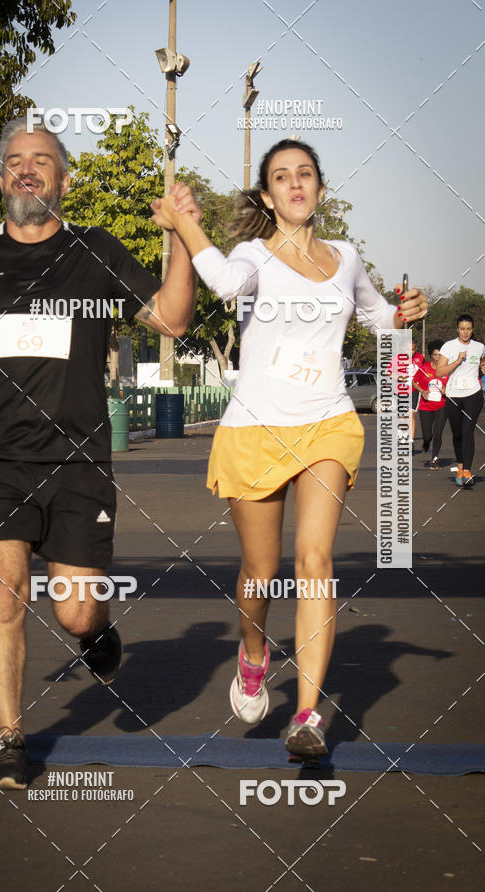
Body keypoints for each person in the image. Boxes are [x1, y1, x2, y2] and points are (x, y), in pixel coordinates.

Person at [0, 117, 200, 789]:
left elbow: (172, 320)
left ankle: (96, 636)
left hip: (79, 462)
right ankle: (9, 740)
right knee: (0, 594)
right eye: (15, 161)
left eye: (42, 161)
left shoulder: (97, 249)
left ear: (63, 179)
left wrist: (177, 238)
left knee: (74, 609)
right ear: (2, 178)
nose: (27, 170)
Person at [151, 138, 428, 758]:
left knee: (314, 561)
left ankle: (306, 715)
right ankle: (253, 653)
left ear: (321, 190)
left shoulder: (347, 258)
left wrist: (404, 313)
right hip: (256, 428)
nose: (296, 184)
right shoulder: (253, 255)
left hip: (327, 422)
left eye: (305, 174)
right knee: (262, 571)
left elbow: (377, 317)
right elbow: (221, 283)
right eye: (282, 177)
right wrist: (186, 221)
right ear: (269, 196)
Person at [436, 314, 485, 486]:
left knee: (467, 431)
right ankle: (460, 466)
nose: (465, 332)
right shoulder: (449, 347)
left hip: (473, 393)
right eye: (462, 329)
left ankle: (467, 471)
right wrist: (457, 361)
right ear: (457, 329)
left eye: (469, 329)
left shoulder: (479, 347)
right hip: (453, 395)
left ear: (473, 329)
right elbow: (439, 372)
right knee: (457, 434)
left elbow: (483, 363)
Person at [414, 340, 448, 469]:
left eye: (441, 355)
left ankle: (434, 459)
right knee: (427, 435)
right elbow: (414, 382)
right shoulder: (424, 368)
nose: (438, 357)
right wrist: (422, 391)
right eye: (435, 355)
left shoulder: (447, 369)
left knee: (438, 432)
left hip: (442, 405)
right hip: (426, 405)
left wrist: (447, 390)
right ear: (431, 355)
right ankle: (426, 441)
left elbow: (452, 385)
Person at [409, 338, 425, 443]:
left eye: (412, 349)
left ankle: (410, 440)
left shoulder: (420, 357)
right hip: (400, 390)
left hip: (414, 390)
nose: (410, 352)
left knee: (411, 414)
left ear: (416, 348)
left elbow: (424, 372)